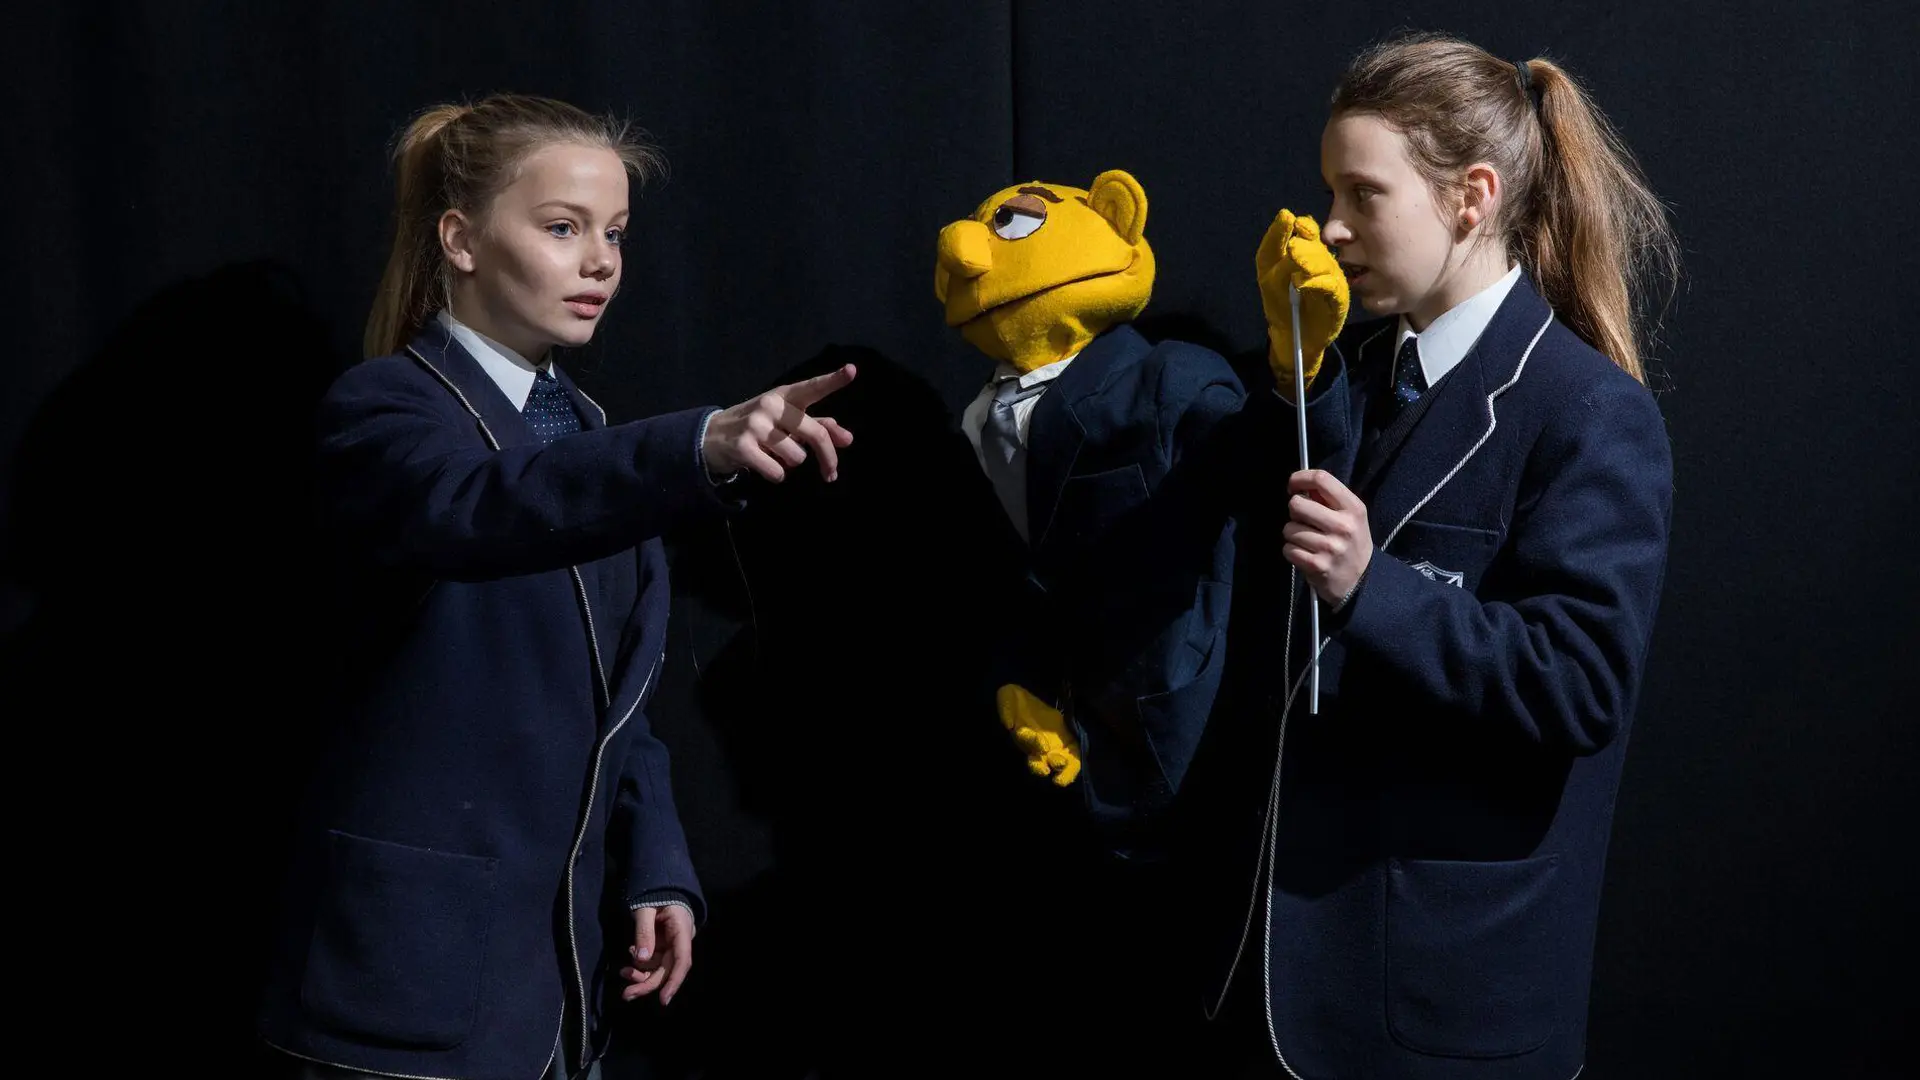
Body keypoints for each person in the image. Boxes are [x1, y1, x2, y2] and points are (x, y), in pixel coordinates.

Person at [256, 93, 854, 1080]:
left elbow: (617, 703)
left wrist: (656, 866)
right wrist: (696, 445)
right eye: (563, 227)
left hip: (556, 984)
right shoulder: (383, 408)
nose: (600, 262)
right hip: (411, 978)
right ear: (460, 239)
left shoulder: (582, 428)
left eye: (614, 233)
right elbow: (475, 505)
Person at [1190, 31, 1680, 1078]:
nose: (1330, 226)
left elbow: (1581, 685)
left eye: (1364, 194)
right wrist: (1294, 378)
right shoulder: (1350, 375)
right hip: (1273, 982)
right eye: (1329, 191)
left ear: (1472, 198)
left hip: (1443, 1001)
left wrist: (1375, 587)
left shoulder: (1589, 413)